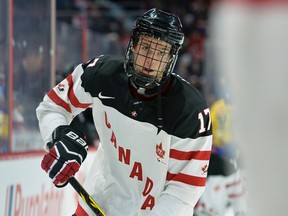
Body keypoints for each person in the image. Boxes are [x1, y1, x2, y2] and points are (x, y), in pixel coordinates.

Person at [36, 8, 212, 216]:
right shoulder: (101, 74)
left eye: (161, 52)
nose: (150, 61)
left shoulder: (190, 109)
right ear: (133, 46)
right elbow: (52, 106)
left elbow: (183, 191)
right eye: (146, 47)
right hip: (96, 203)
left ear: (171, 59)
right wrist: (59, 135)